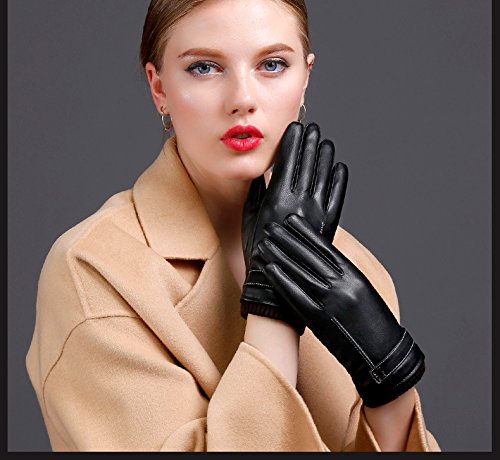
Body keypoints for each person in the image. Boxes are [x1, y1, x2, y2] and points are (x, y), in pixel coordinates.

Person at [26, 0, 441, 452]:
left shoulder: (354, 266)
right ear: (159, 87)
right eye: (204, 68)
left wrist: (390, 380)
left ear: (305, 78)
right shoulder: (93, 272)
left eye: (272, 64)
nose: (242, 98)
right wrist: (271, 309)